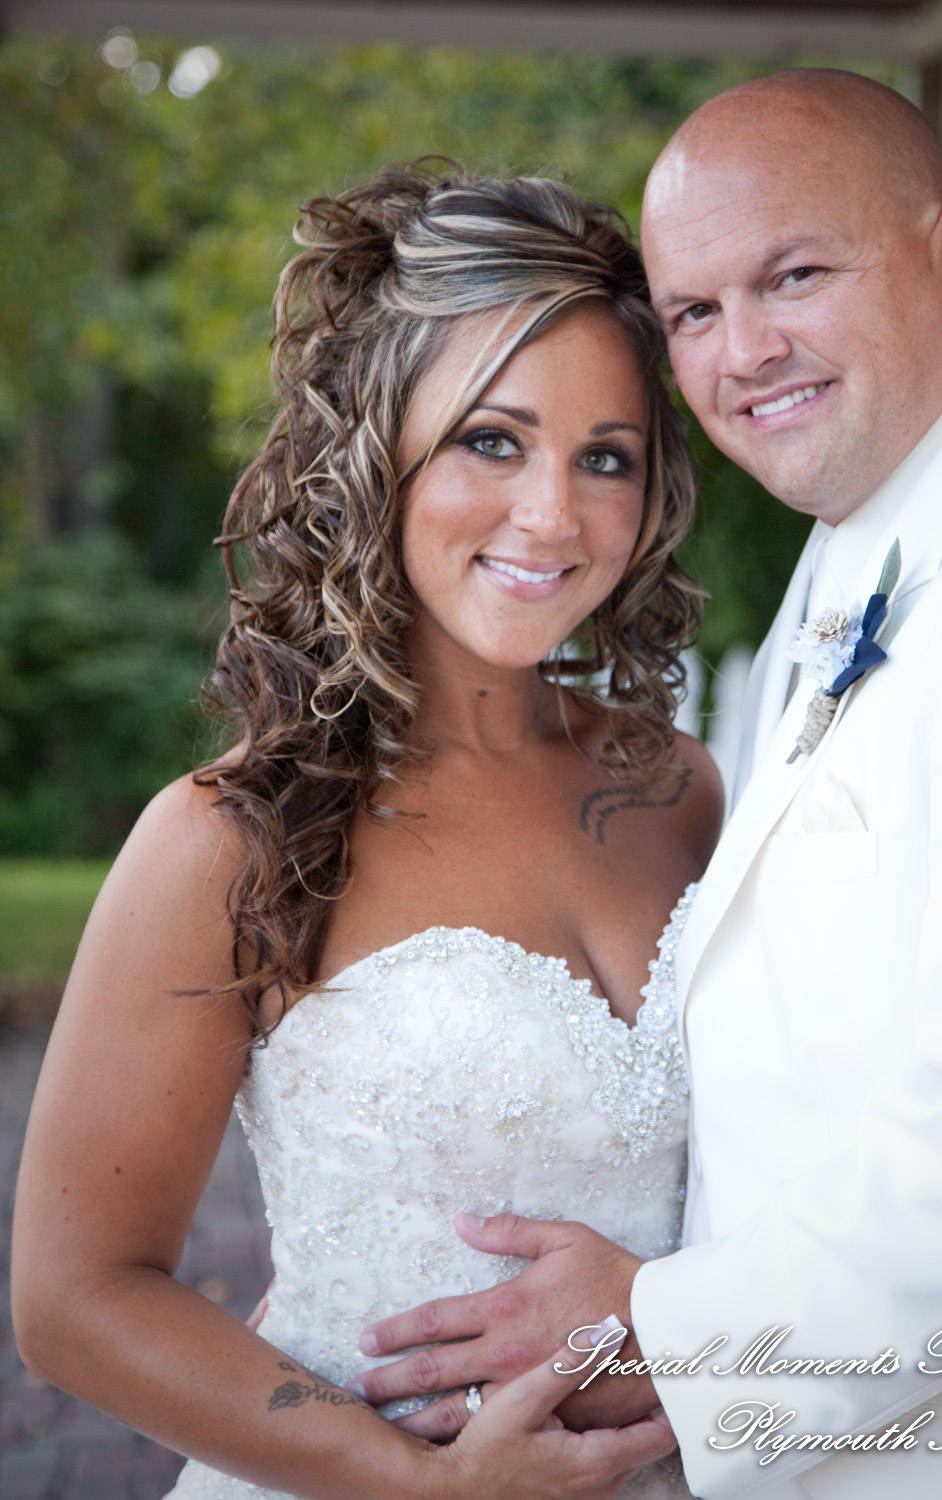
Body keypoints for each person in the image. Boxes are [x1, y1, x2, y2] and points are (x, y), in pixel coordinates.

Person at [348, 71, 942, 1500]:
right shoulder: (878, 534)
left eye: (794, 277)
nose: (743, 349)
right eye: (692, 312)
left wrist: (654, 1328)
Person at [12, 164, 725, 1500]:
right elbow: (74, 1298)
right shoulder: (233, 835)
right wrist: (421, 1483)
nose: (552, 516)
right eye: (491, 440)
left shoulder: (685, 791)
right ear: (376, 445)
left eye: (605, 458)